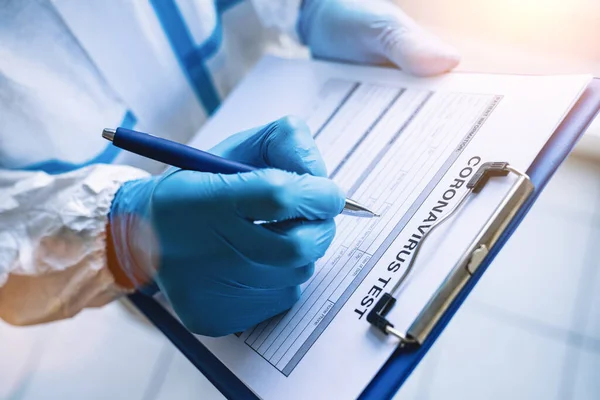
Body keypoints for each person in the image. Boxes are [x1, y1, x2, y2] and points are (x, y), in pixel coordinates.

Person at [0, 0, 459, 336]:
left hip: (281, 88)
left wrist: (307, 8)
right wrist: (121, 234)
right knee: (240, 346)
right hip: (136, 266)